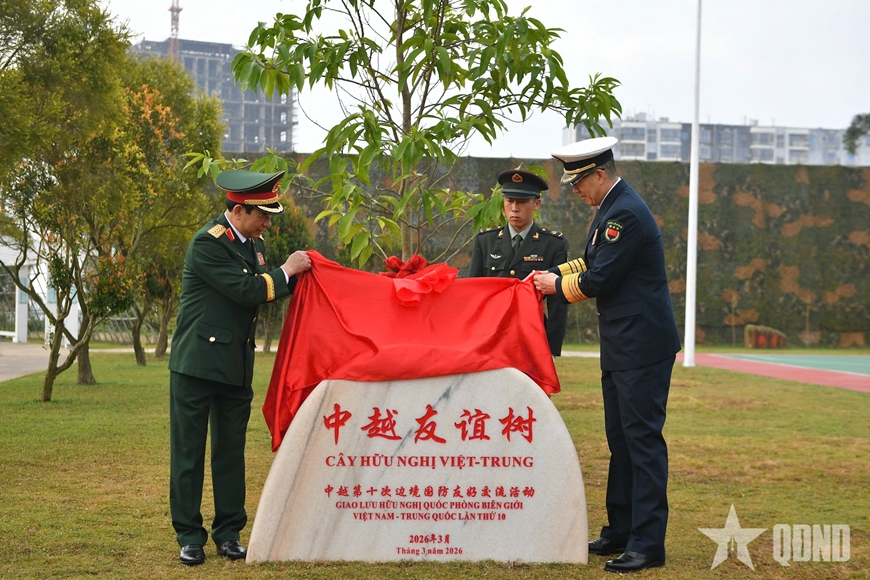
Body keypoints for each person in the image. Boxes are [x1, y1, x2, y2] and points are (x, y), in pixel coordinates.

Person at [532, 137, 681, 573]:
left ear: (600, 174)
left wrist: (553, 287)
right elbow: (589, 261)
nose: (576, 191)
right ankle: (620, 530)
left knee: (642, 443)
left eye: (579, 182)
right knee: (621, 441)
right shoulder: (610, 208)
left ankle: (647, 544)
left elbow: (600, 279)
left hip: (642, 347)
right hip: (622, 344)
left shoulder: (624, 214)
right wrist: (549, 274)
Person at [168, 169, 312, 566]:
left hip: (235, 365)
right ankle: (189, 537)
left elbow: (265, 289)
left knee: (231, 454)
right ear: (237, 211)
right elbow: (247, 290)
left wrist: (304, 275)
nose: (267, 223)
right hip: (197, 366)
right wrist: (288, 270)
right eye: (262, 215)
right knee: (188, 456)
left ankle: (229, 533)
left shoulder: (253, 245)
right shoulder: (208, 243)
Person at [467, 169, 569, 356]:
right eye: (509, 201)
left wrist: (551, 349)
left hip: (530, 337)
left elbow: (558, 304)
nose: (514, 208)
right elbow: (474, 293)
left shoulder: (553, 244)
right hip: (490, 335)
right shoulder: (486, 241)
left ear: (536, 204)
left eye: (521, 202)